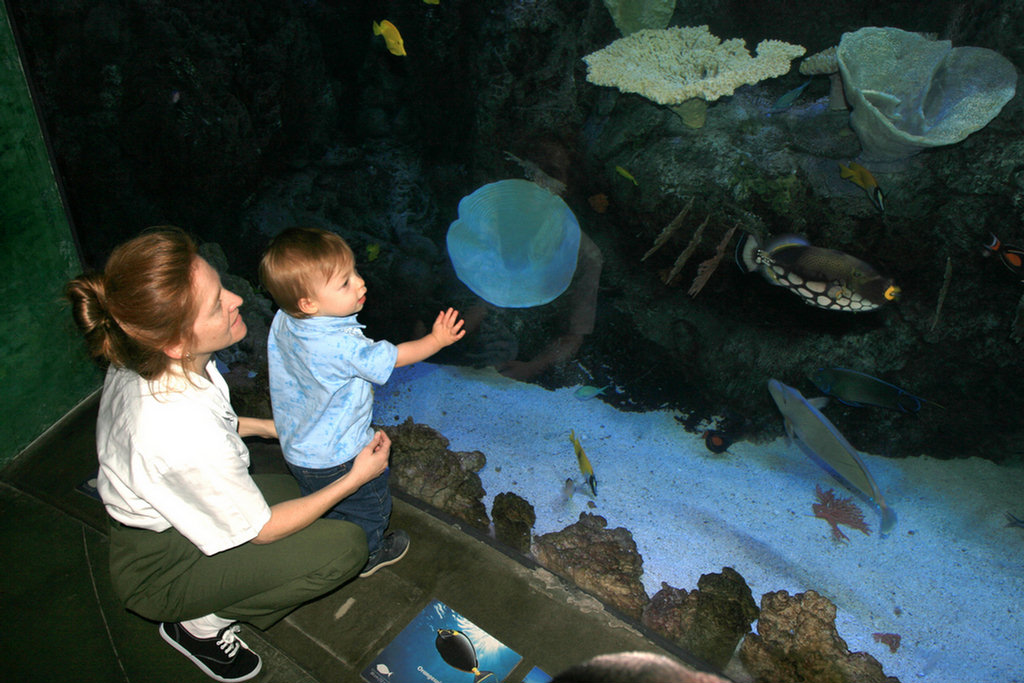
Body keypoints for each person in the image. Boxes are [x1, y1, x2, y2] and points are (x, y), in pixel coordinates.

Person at [65, 226, 392, 683]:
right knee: (343, 547)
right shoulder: (174, 427)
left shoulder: (146, 356)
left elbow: (215, 422)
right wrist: (355, 477)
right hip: (158, 568)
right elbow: (260, 530)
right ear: (176, 342)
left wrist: (272, 428)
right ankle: (198, 626)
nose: (237, 299)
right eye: (217, 305)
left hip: (169, 511)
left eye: (221, 287)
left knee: (298, 494)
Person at [258, 227, 465, 576]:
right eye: (344, 283)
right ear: (308, 303)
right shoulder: (342, 346)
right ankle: (367, 554)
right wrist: (435, 340)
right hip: (339, 454)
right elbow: (394, 357)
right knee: (370, 506)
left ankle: (327, 526)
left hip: (298, 445)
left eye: (354, 271)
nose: (360, 282)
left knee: (327, 497)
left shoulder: (285, 320)